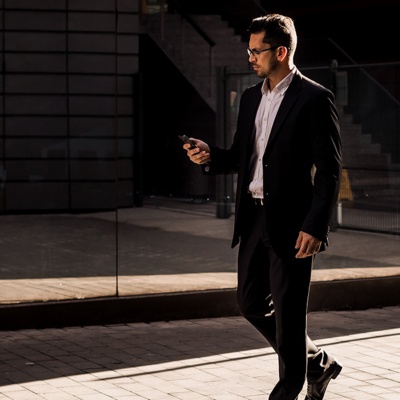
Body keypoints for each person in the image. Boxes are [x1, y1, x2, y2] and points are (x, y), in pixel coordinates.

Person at [182, 14, 343, 400]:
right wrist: (209, 157)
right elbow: (243, 156)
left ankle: (290, 387)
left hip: (293, 225)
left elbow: (330, 170)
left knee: (288, 319)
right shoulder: (251, 96)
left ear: (281, 51)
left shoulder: (315, 98)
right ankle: (316, 363)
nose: (250, 57)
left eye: (257, 51)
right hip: (254, 218)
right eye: (249, 50)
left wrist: (315, 226)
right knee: (250, 303)